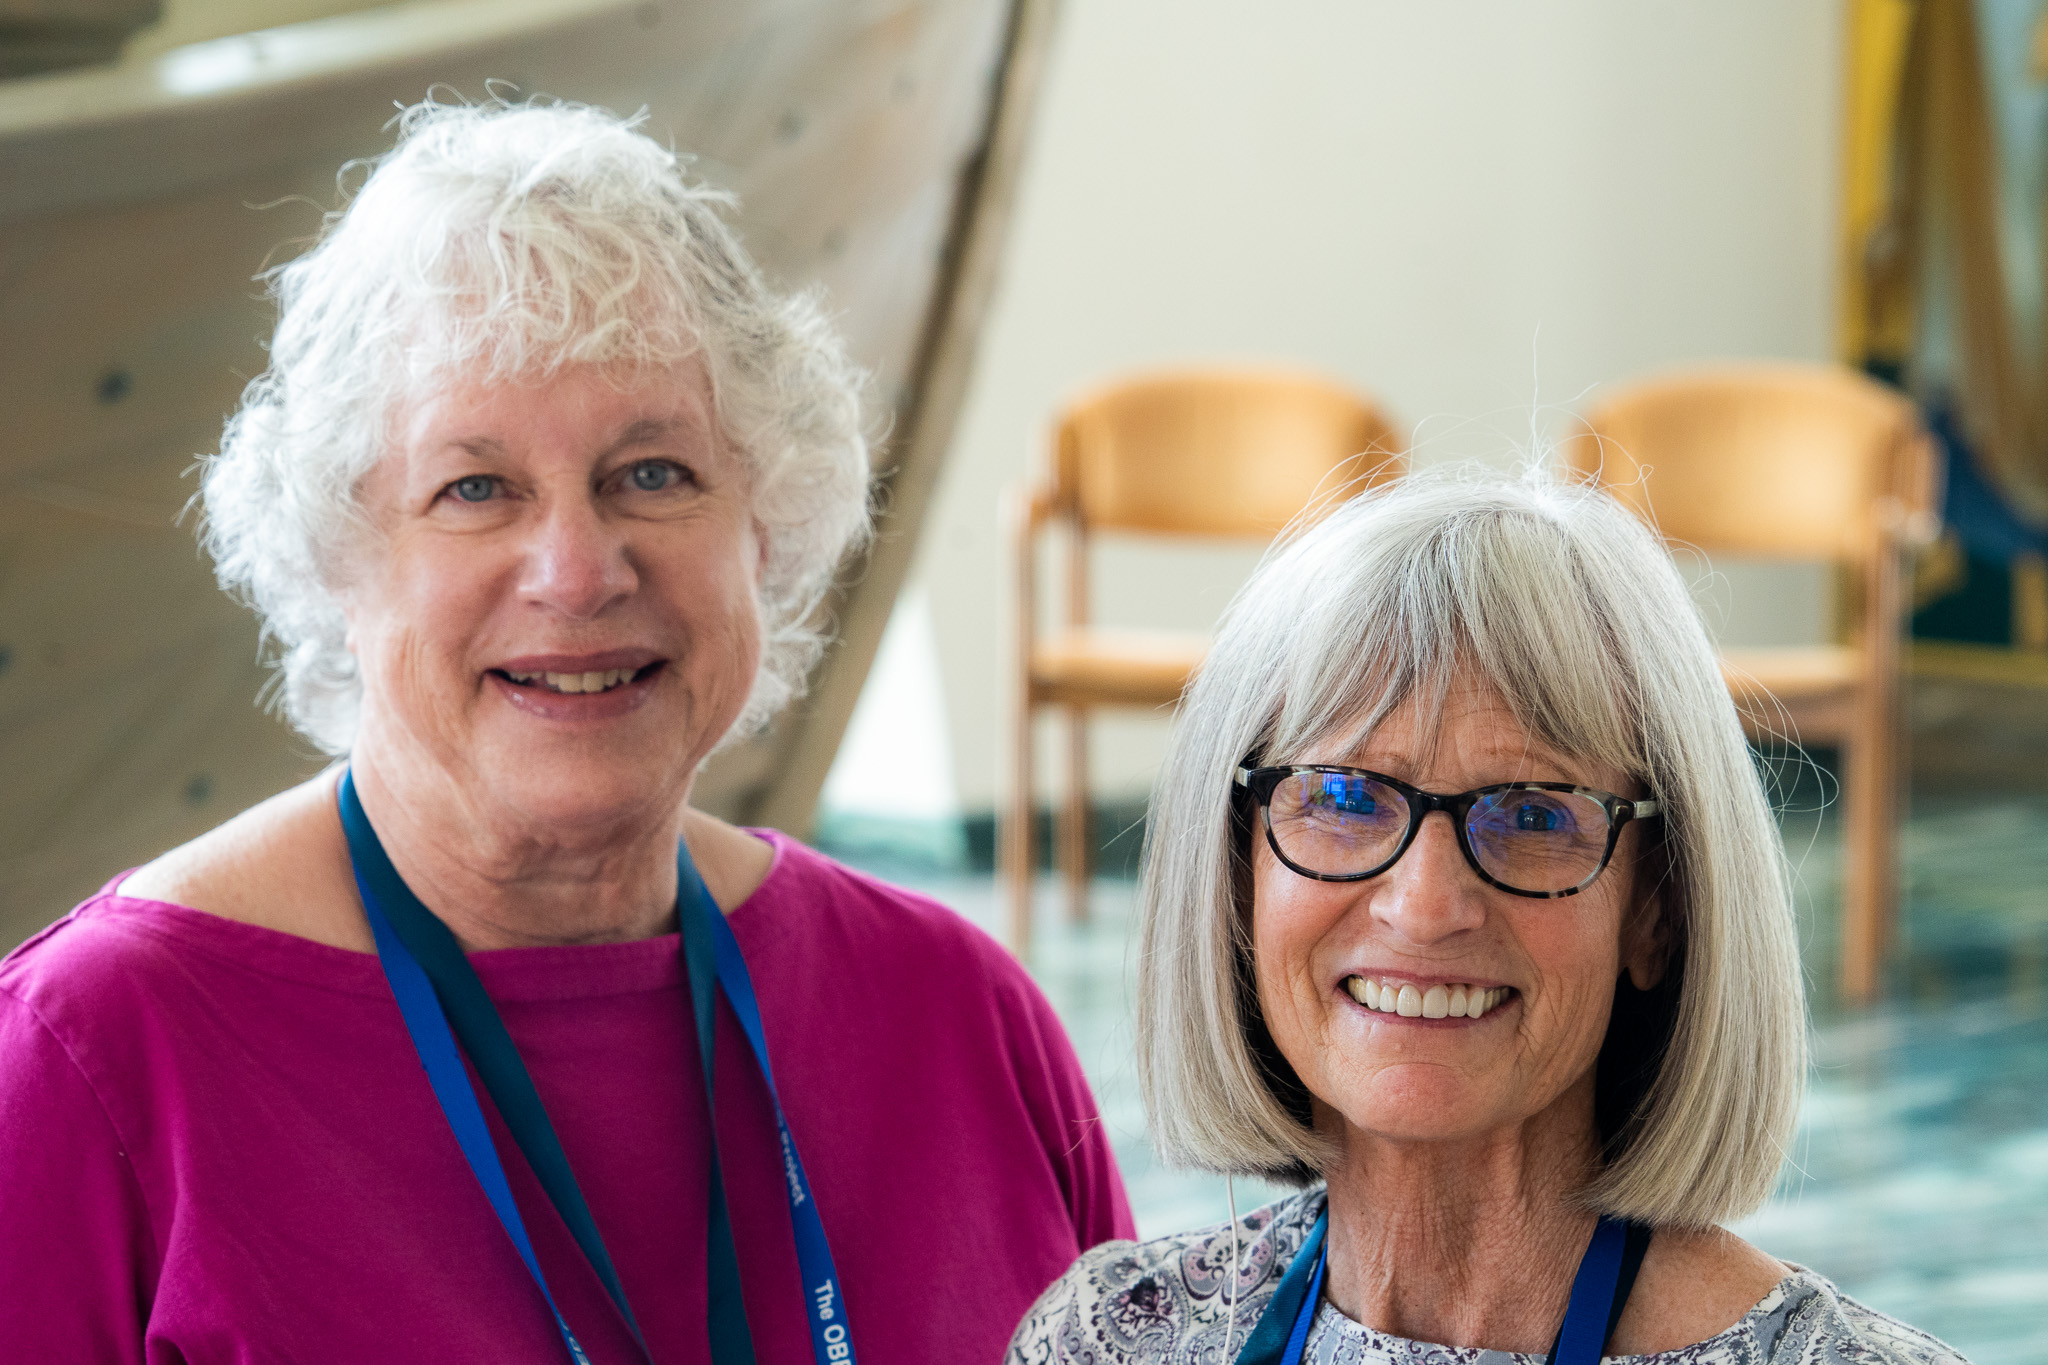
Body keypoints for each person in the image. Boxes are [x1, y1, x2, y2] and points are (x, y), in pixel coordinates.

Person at [0, 98, 1132, 1362]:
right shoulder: (94, 1065)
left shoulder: (957, 1019)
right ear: (336, 560)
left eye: (652, 473)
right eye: (475, 488)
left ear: (764, 529)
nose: (579, 571)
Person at [1008, 469, 1965, 1364]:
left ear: (1656, 911)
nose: (1425, 906)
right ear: (1235, 877)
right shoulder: (1108, 1340)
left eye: (1534, 814)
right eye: (1343, 795)